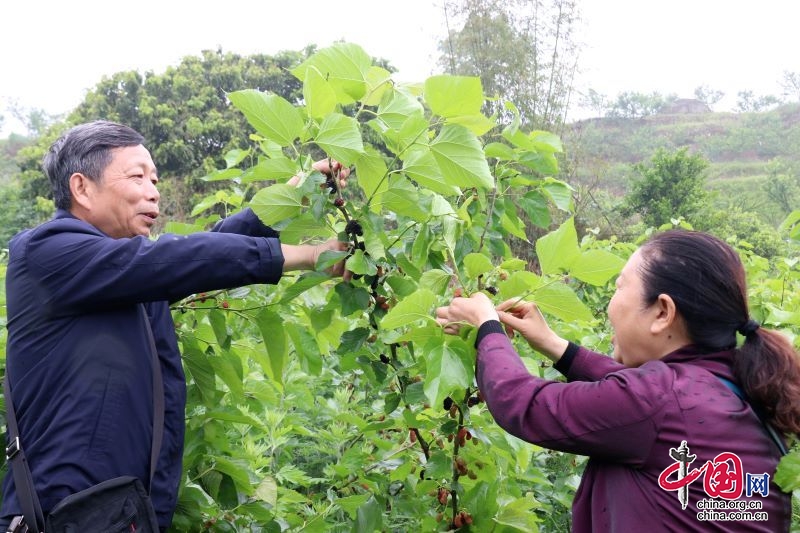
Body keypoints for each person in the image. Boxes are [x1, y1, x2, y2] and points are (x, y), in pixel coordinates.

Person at [0, 120, 351, 530]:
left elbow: (194, 257)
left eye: (155, 178)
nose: (154, 190)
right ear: (81, 188)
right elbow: (172, 259)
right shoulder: (46, 252)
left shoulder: (123, 279)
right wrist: (309, 255)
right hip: (65, 515)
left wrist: (292, 196)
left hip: (122, 514)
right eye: (137, 176)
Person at [436, 230, 800, 532]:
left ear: (662, 312)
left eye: (619, 287)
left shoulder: (657, 399)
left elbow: (521, 403)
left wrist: (487, 326)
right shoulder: (741, 391)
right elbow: (643, 395)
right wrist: (555, 346)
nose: (610, 305)